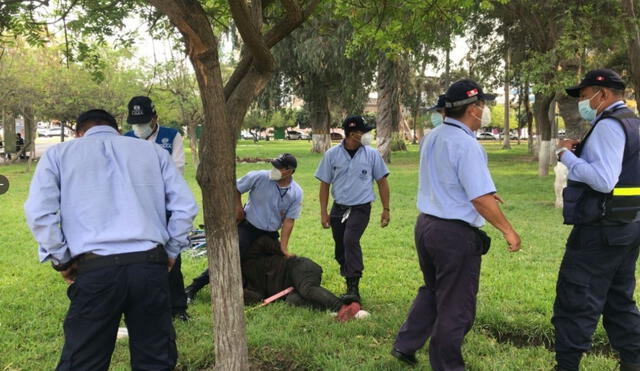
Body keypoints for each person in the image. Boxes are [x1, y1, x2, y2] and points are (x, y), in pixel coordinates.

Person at [24, 109, 198, 370]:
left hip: (95, 270)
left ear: (78, 133)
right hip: (149, 266)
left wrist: (61, 259)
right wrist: (172, 251)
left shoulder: (59, 154)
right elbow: (185, 207)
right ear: (117, 130)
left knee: (83, 362)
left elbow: (39, 213)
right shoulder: (152, 152)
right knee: (155, 360)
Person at [391, 79, 521, 369]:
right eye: (483, 106)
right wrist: (508, 230)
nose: (485, 111)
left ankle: (405, 345)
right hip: (453, 235)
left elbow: (449, 179)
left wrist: (483, 192)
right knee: (456, 306)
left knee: (434, 289)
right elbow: (479, 199)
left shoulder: (433, 136)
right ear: (473, 110)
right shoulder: (466, 144)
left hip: (427, 226)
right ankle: (447, 364)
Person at [553, 69, 640, 371]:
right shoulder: (633, 123)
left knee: (576, 297)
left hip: (599, 231)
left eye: (584, 94)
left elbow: (603, 180)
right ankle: (633, 361)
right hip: (626, 226)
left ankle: (566, 366)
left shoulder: (609, 125)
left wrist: (566, 157)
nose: (582, 101)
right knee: (618, 300)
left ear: (602, 94)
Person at [184, 153, 303, 302]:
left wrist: (284, 248)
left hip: (271, 233)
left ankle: (268, 291)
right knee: (231, 256)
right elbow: (236, 188)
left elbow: (289, 221)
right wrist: (238, 207)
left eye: (279, 168)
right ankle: (193, 287)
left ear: (290, 171)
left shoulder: (296, 192)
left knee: (277, 261)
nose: (274, 169)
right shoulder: (259, 177)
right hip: (249, 227)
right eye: (274, 166)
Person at [124, 95, 190, 321]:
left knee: (172, 256)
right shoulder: (126, 139)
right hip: (136, 208)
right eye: (135, 122)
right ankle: (143, 305)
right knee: (137, 257)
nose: (139, 127)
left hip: (165, 207)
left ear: (155, 118)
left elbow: (177, 170)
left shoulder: (171, 136)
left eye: (143, 122)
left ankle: (177, 307)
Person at [315, 115, 390, 303]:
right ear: (352, 134)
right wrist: (324, 211)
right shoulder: (331, 155)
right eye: (363, 132)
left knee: (350, 240)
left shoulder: (372, 154)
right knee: (340, 248)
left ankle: (353, 288)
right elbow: (324, 184)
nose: (366, 135)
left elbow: (382, 182)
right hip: (339, 208)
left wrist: (386, 209)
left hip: (361, 207)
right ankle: (349, 277)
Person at [242, 235, 362, 322]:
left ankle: (344, 308)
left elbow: (263, 242)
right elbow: (257, 298)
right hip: (289, 290)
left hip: (297, 267)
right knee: (293, 301)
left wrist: (283, 252)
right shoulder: (248, 288)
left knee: (307, 288)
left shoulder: (248, 259)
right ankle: (331, 309)